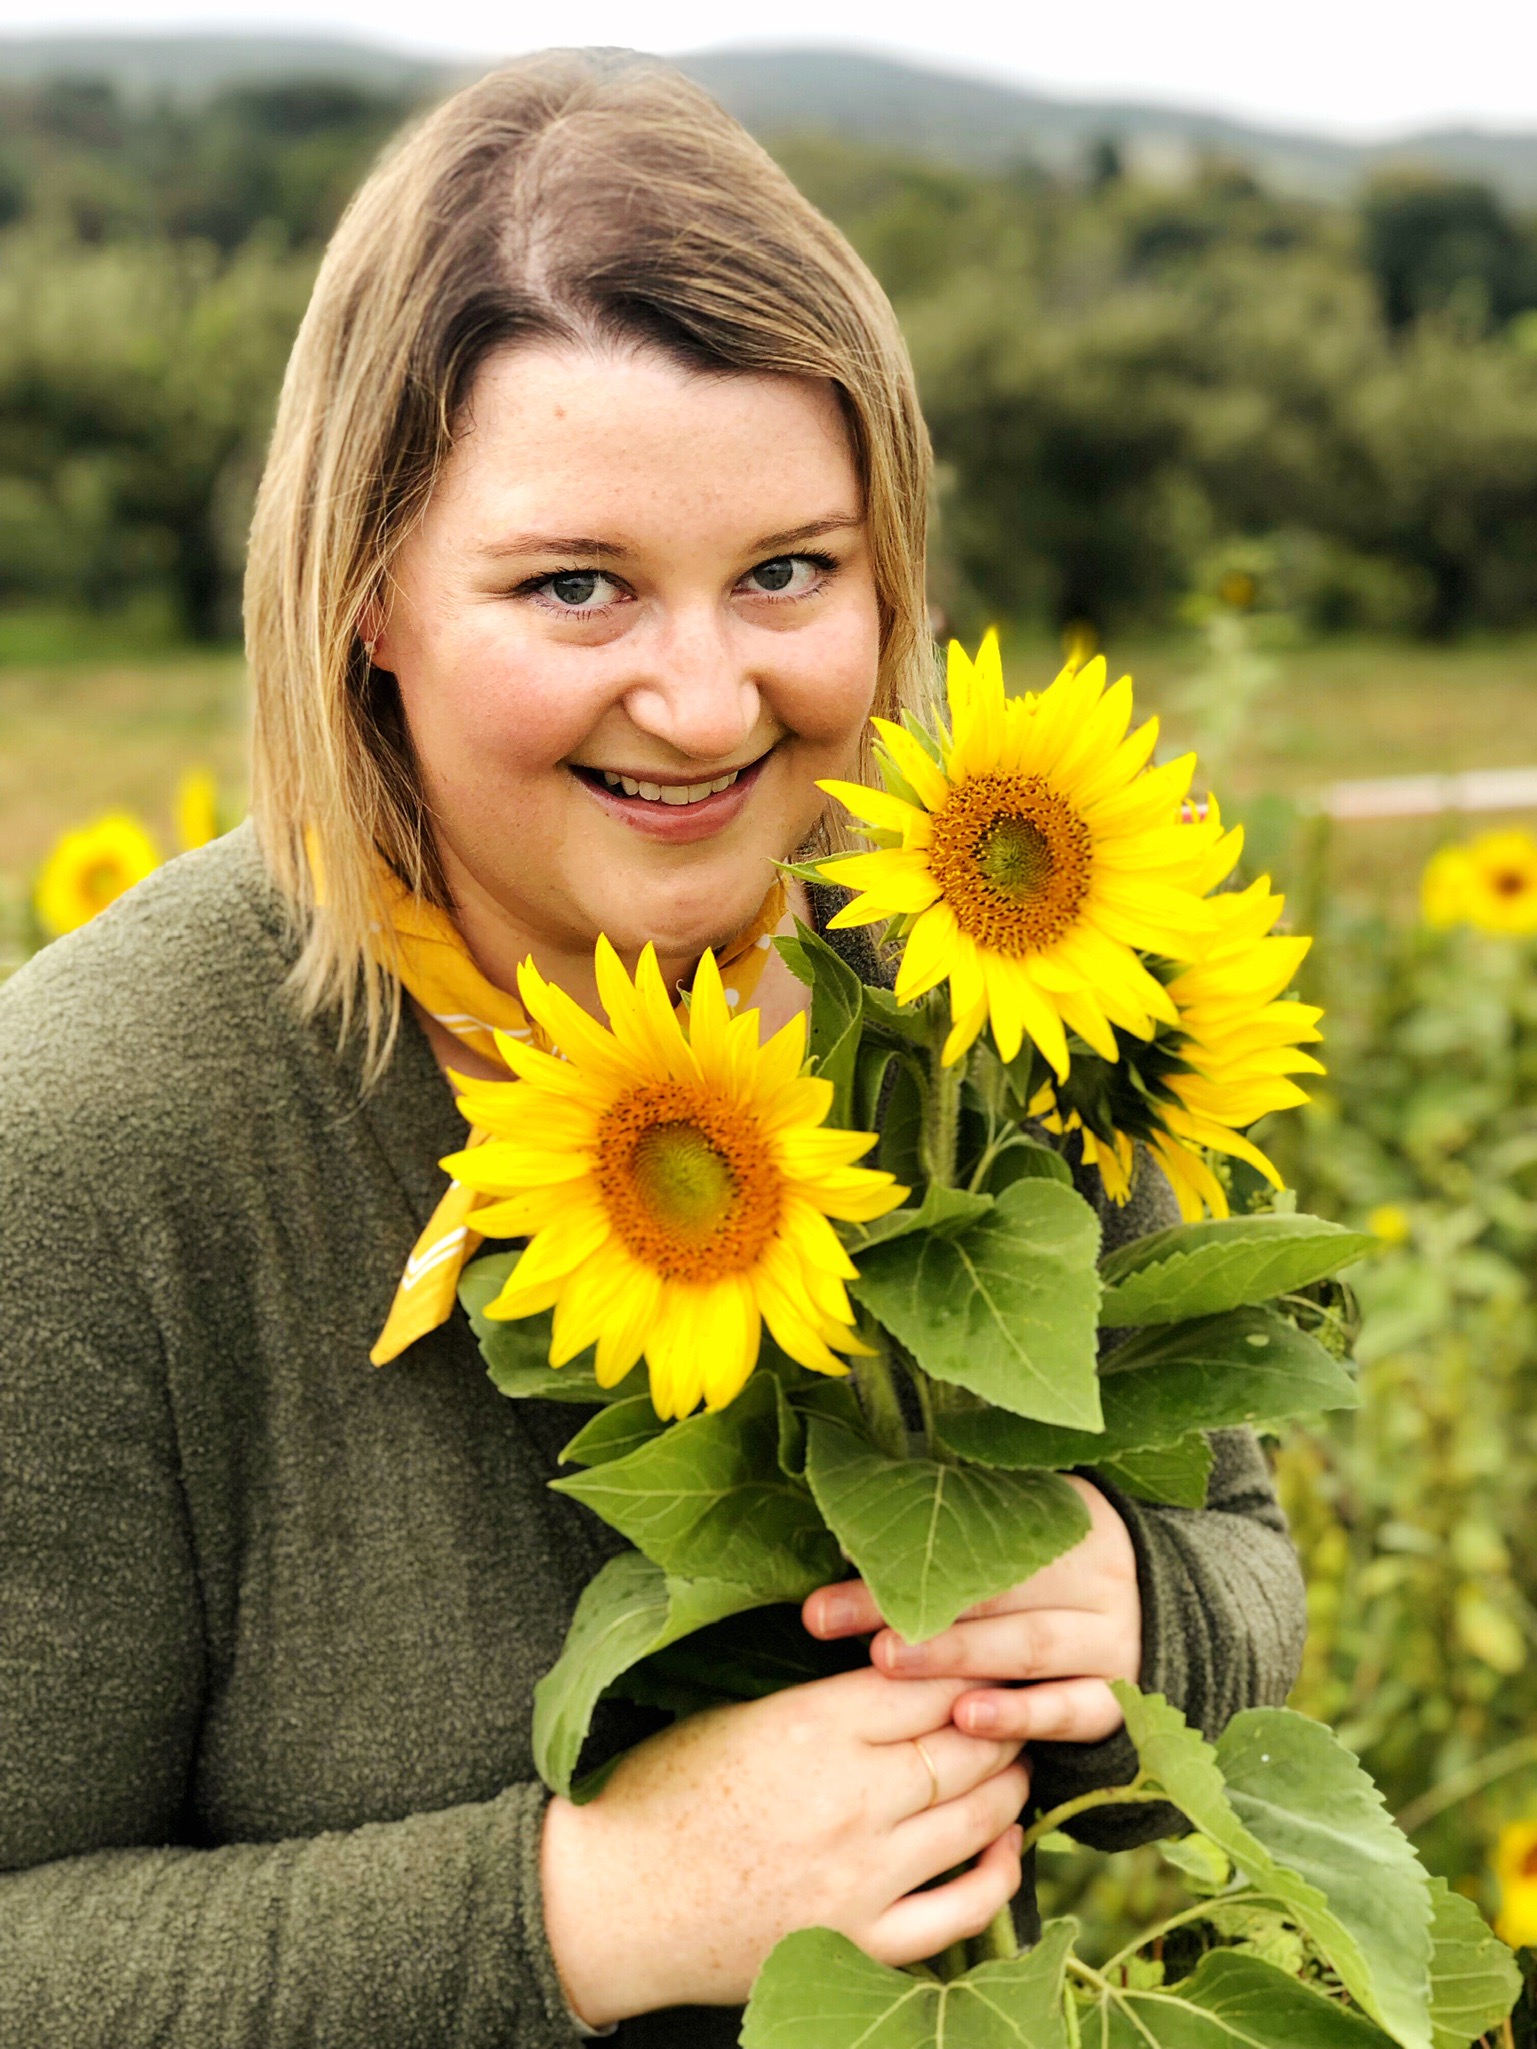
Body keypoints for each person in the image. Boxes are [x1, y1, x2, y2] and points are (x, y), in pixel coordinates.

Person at [0, 52, 1305, 2047]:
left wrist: (1142, 1606)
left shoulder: (983, 987)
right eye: (574, 584)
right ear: (368, 596)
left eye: (788, 570)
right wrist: (580, 1904)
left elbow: (1240, 1557)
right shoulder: (103, 1145)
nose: (702, 703)